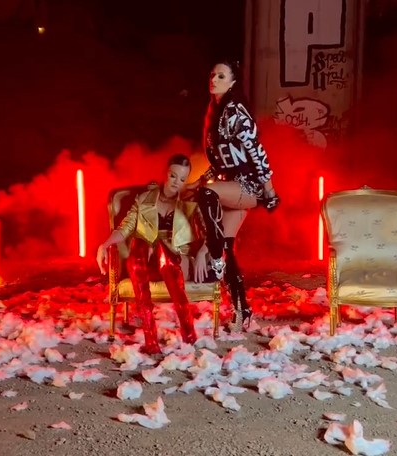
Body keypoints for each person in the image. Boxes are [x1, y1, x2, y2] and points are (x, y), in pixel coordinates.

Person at [188, 59, 279, 332]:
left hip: (248, 185)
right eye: (212, 74)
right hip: (230, 186)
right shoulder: (214, 113)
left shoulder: (236, 112)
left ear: (233, 82)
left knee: (207, 195)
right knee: (228, 247)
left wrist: (269, 190)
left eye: (221, 76)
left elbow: (257, 152)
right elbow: (221, 163)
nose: (213, 79)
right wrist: (198, 180)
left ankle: (214, 253)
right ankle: (242, 310)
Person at [96, 154, 209, 355]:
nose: (176, 182)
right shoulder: (144, 199)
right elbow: (125, 228)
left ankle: (188, 333)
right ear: (166, 173)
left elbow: (210, 233)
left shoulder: (190, 202)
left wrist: (202, 252)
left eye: (182, 179)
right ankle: (151, 337)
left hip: (176, 261)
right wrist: (104, 245)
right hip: (145, 264)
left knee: (162, 253)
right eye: (173, 176)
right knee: (140, 247)